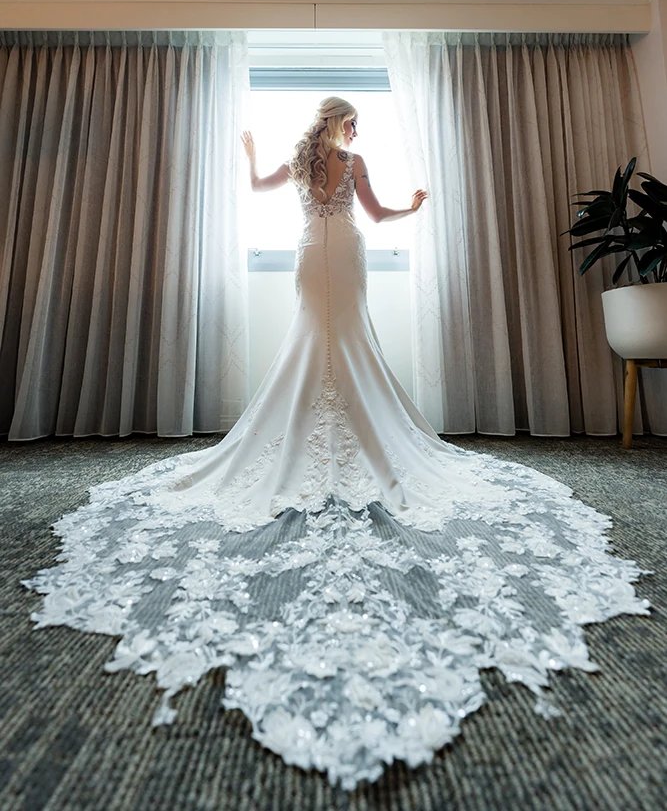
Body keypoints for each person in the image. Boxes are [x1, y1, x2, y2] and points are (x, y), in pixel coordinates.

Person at [25, 97, 649, 790]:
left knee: (318, 339)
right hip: (344, 252)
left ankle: (322, 427)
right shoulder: (352, 162)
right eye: (353, 122)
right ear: (342, 123)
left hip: (309, 254)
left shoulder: (300, 161)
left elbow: (263, 185)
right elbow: (375, 216)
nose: (356, 132)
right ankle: (346, 427)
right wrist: (411, 207)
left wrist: (250, 157)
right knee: (340, 339)